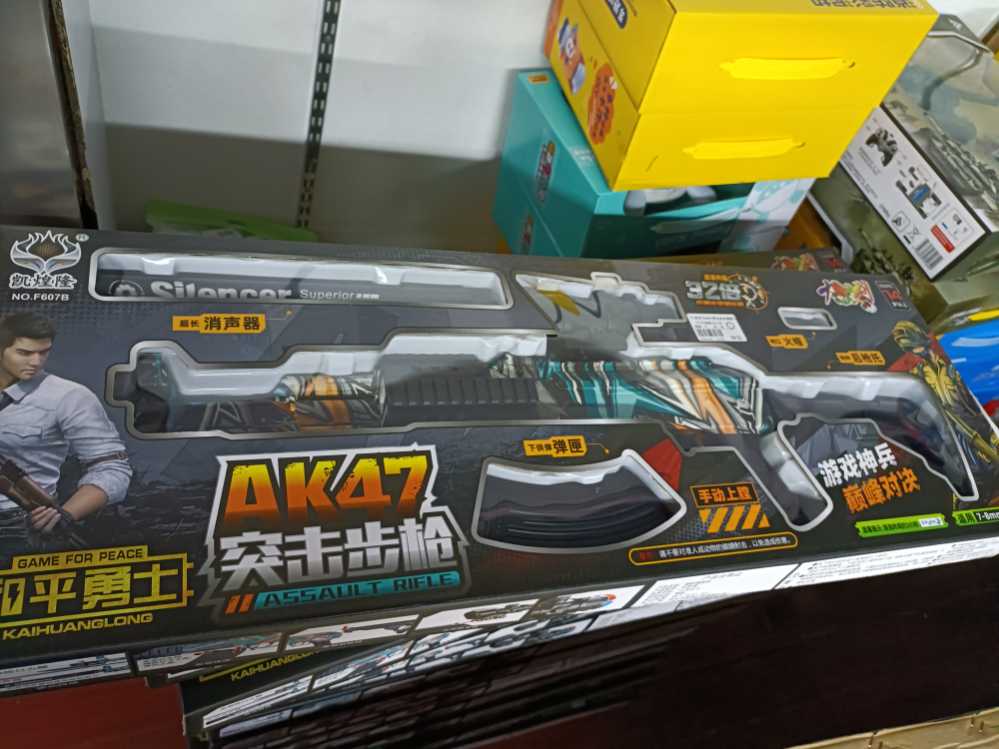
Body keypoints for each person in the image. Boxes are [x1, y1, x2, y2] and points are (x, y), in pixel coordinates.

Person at [0, 312, 131, 535]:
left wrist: (66, 514)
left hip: (17, 524)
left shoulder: (68, 396)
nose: (36, 362)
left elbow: (113, 468)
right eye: (24, 353)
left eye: (44, 352)